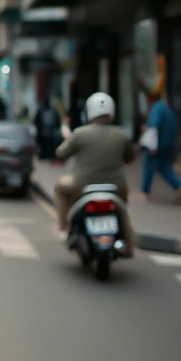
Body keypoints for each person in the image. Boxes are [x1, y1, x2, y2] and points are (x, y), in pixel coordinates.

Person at [53, 91, 137, 253]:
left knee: (60, 188)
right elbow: (130, 158)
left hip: (82, 185)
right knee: (122, 211)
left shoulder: (80, 133)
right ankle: (130, 245)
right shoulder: (121, 134)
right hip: (116, 186)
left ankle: (63, 226)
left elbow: (60, 154)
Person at [139, 90, 181, 202]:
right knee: (164, 167)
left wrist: (147, 132)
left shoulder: (156, 109)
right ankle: (179, 185)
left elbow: (154, 126)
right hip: (168, 144)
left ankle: (144, 192)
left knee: (148, 166)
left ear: (150, 98)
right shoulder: (166, 108)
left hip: (157, 144)